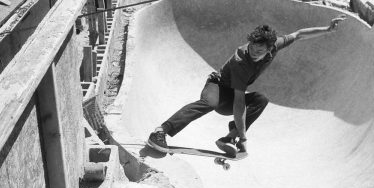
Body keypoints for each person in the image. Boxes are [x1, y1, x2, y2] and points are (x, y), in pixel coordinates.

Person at [147, 16, 346, 158]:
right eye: (251, 47)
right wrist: (244, 137)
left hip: (233, 95)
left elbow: (300, 34)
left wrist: (327, 30)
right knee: (208, 103)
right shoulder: (241, 62)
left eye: (259, 51)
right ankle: (160, 131)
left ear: (270, 48)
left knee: (261, 99)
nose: (254, 53)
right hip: (218, 86)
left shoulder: (275, 44)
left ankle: (227, 139)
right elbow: (239, 104)